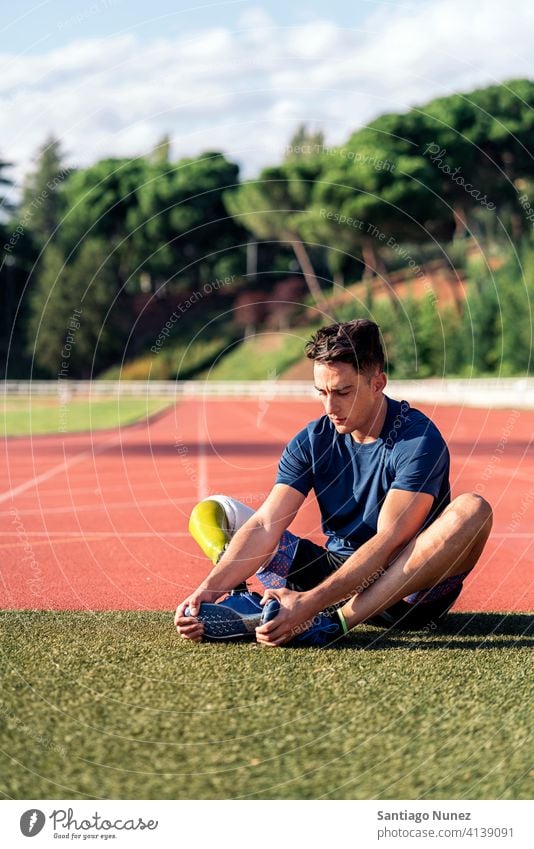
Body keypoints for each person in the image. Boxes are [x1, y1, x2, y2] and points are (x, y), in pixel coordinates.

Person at [174, 319, 492, 647]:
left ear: (377, 383)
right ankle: (244, 601)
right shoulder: (313, 439)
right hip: (335, 573)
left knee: (473, 509)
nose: (330, 407)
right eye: (322, 392)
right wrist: (206, 592)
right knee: (215, 511)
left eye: (342, 392)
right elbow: (268, 523)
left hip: (406, 591)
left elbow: (389, 543)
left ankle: (333, 624)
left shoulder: (416, 440)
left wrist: (309, 603)